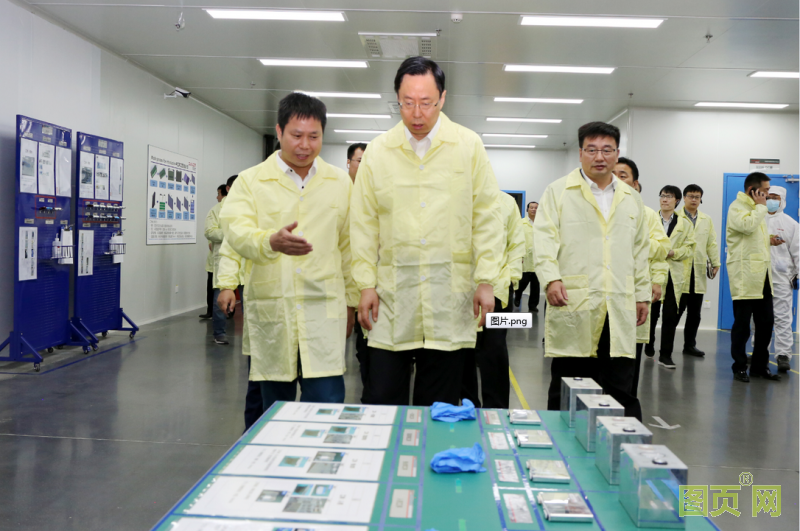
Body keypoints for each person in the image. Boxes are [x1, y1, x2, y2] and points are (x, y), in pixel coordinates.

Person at [350, 56, 503, 407]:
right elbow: (363, 223)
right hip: (391, 299)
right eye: (407, 103)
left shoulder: (468, 146)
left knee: (439, 406)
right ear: (397, 99)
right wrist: (365, 284)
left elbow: (487, 216)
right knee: (382, 400)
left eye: (426, 103)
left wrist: (486, 280)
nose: (417, 114)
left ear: (443, 98)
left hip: (449, 298)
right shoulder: (379, 151)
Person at [217, 92, 358, 412]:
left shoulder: (339, 182)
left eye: (314, 136)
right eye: (296, 135)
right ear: (279, 131)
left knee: (326, 404)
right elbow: (235, 231)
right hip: (274, 310)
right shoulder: (251, 181)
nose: (305, 145)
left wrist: (351, 301)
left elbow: (349, 246)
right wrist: (269, 242)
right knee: (274, 408)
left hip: (323, 311)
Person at [535, 121, 650, 421]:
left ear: (617, 153)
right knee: (568, 385)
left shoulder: (631, 198)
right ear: (580, 153)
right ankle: (559, 443)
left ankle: (623, 445)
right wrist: (551, 279)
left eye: (607, 150)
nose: (600, 157)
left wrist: (642, 295)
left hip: (619, 303)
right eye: (592, 150)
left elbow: (640, 250)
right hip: (575, 302)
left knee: (620, 386)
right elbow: (544, 240)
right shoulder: (558, 192)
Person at [613, 158, 670, 397]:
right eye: (612, 174)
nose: (616, 179)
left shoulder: (646, 214)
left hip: (633, 288)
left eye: (622, 175)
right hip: (600, 294)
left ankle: (626, 404)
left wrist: (657, 280)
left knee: (628, 356)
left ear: (635, 184)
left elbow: (662, 248)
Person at [462, 193, 525, 408]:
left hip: (497, 292)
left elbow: (516, 243)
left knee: (495, 350)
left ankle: (496, 409)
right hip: (462, 291)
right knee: (463, 351)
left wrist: (512, 280)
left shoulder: (506, 202)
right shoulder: (456, 196)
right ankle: (469, 405)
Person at [727, 172, 779, 382]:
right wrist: (760, 207)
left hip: (762, 276)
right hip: (745, 275)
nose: (768, 195)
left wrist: (768, 239)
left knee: (766, 323)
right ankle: (739, 366)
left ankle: (759, 366)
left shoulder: (757, 209)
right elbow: (747, 227)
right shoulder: (737, 207)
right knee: (742, 326)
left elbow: (752, 237)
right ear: (753, 190)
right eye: (765, 190)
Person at [646, 185, 695, 369]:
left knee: (670, 316)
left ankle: (665, 355)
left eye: (669, 196)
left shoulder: (685, 224)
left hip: (674, 275)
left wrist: (673, 252)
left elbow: (690, 248)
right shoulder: (649, 219)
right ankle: (648, 342)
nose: (665, 199)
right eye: (662, 196)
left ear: (677, 201)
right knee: (651, 314)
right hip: (652, 273)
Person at [677, 184, 721, 357]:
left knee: (695, 313)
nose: (694, 199)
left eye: (697, 197)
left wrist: (716, 262)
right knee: (675, 312)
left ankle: (689, 345)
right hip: (680, 270)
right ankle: (666, 347)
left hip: (699, 271)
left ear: (701, 199)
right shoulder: (676, 217)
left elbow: (711, 242)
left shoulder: (706, 219)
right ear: (684, 198)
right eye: (690, 196)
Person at [346, 142, 371, 402]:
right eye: (360, 161)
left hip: (370, 291)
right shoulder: (340, 193)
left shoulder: (376, 193)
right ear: (349, 163)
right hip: (346, 289)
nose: (364, 166)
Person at [765, 185, 798, 373]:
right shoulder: (757, 220)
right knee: (759, 318)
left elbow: (798, 252)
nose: (771, 200)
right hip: (758, 277)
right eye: (768, 196)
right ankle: (760, 351)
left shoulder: (791, 224)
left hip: (782, 277)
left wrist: (798, 274)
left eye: (775, 197)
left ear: (782, 200)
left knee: (783, 317)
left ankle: (783, 354)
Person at [205, 183, 232, 344]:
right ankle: (219, 333)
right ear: (229, 188)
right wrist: (231, 233)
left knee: (248, 301)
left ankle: (252, 335)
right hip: (224, 259)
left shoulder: (250, 207)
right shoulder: (216, 210)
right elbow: (209, 232)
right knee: (219, 298)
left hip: (247, 261)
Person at [200, 185, 226, 320]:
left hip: (229, 259)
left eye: (218, 194)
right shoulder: (215, 211)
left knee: (225, 288)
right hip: (215, 259)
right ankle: (211, 311)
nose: (217, 197)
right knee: (212, 287)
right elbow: (210, 233)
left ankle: (227, 312)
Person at [515, 201, 540, 312]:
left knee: (536, 284)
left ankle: (533, 305)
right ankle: (518, 295)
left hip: (538, 257)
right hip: (525, 256)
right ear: (527, 209)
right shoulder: (521, 223)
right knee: (523, 281)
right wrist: (518, 255)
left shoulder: (542, 223)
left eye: (536, 208)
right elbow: (517, 239)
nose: (534, 209)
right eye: (531, 207)